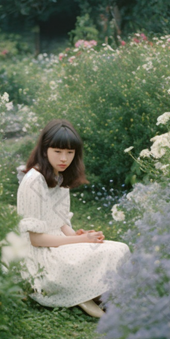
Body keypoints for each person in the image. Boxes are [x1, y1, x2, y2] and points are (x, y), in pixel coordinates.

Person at [16, 119, 131, 318]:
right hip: (40, 257)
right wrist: (80, 240)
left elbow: (61, 223)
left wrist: (80, 234)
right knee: (105, 251)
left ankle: (94, 293)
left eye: (70, 153)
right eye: (58, 151)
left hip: (59, 246)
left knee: (120, 248)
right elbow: (36, 239)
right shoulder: (33, 180)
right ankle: (83, 293)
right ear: (45, 150)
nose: (64, 158)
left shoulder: (59, 176)